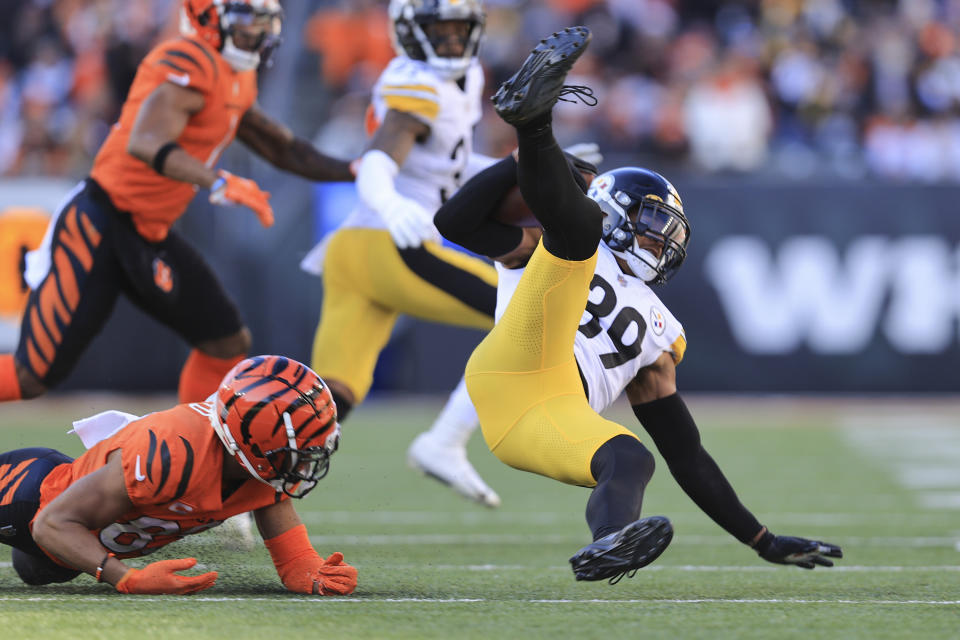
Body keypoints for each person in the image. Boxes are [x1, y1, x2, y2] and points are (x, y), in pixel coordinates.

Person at [447, 26, 843, 582]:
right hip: (516, 363)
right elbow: (454, 223)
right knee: (575, 234)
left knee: (633, 458)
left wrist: (762, 539)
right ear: (616, 213)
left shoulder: (661, 331)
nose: (661, 243)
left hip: (546, 412)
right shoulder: (552, 241)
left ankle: (607, 543)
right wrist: (517, 163)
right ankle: (532, 122)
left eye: (665, 234)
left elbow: (688, 454)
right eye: (653, 227)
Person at [0, 0, 355, 408]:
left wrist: (358, 169)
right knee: (33, 375)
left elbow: (285, 150)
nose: (258, 32)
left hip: (149, 231)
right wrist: (216, 179)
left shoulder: (236, 76)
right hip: (101, 222)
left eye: (264, 22)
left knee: (224, 341)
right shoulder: (187, 59)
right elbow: (145, 142)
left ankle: (196, 443)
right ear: (208, 20)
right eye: (247, 21)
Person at [300, 0, 501, 507]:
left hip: (356, 251)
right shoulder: (415, 85)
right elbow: (376, 161)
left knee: (327, 402)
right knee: (527, 315)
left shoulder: (466, 79)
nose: (453, 41)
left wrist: (527, 169)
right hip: (389, 244)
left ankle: (228, 484)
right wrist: (390, 206)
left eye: (461, 30)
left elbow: (452, 166)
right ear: (411, 33)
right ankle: (445, 441)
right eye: (442, 30)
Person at [0, 355, 357, 596]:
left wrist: (300, 563)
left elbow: (274, 512)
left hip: (76, 544)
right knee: (46, 546)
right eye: (296, 452)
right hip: (33, 498)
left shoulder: (256, 467)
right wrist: (125, 579)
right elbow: (51, 524)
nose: (305, 463)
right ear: (251, 443)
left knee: (39, 571)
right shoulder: (171, 453)